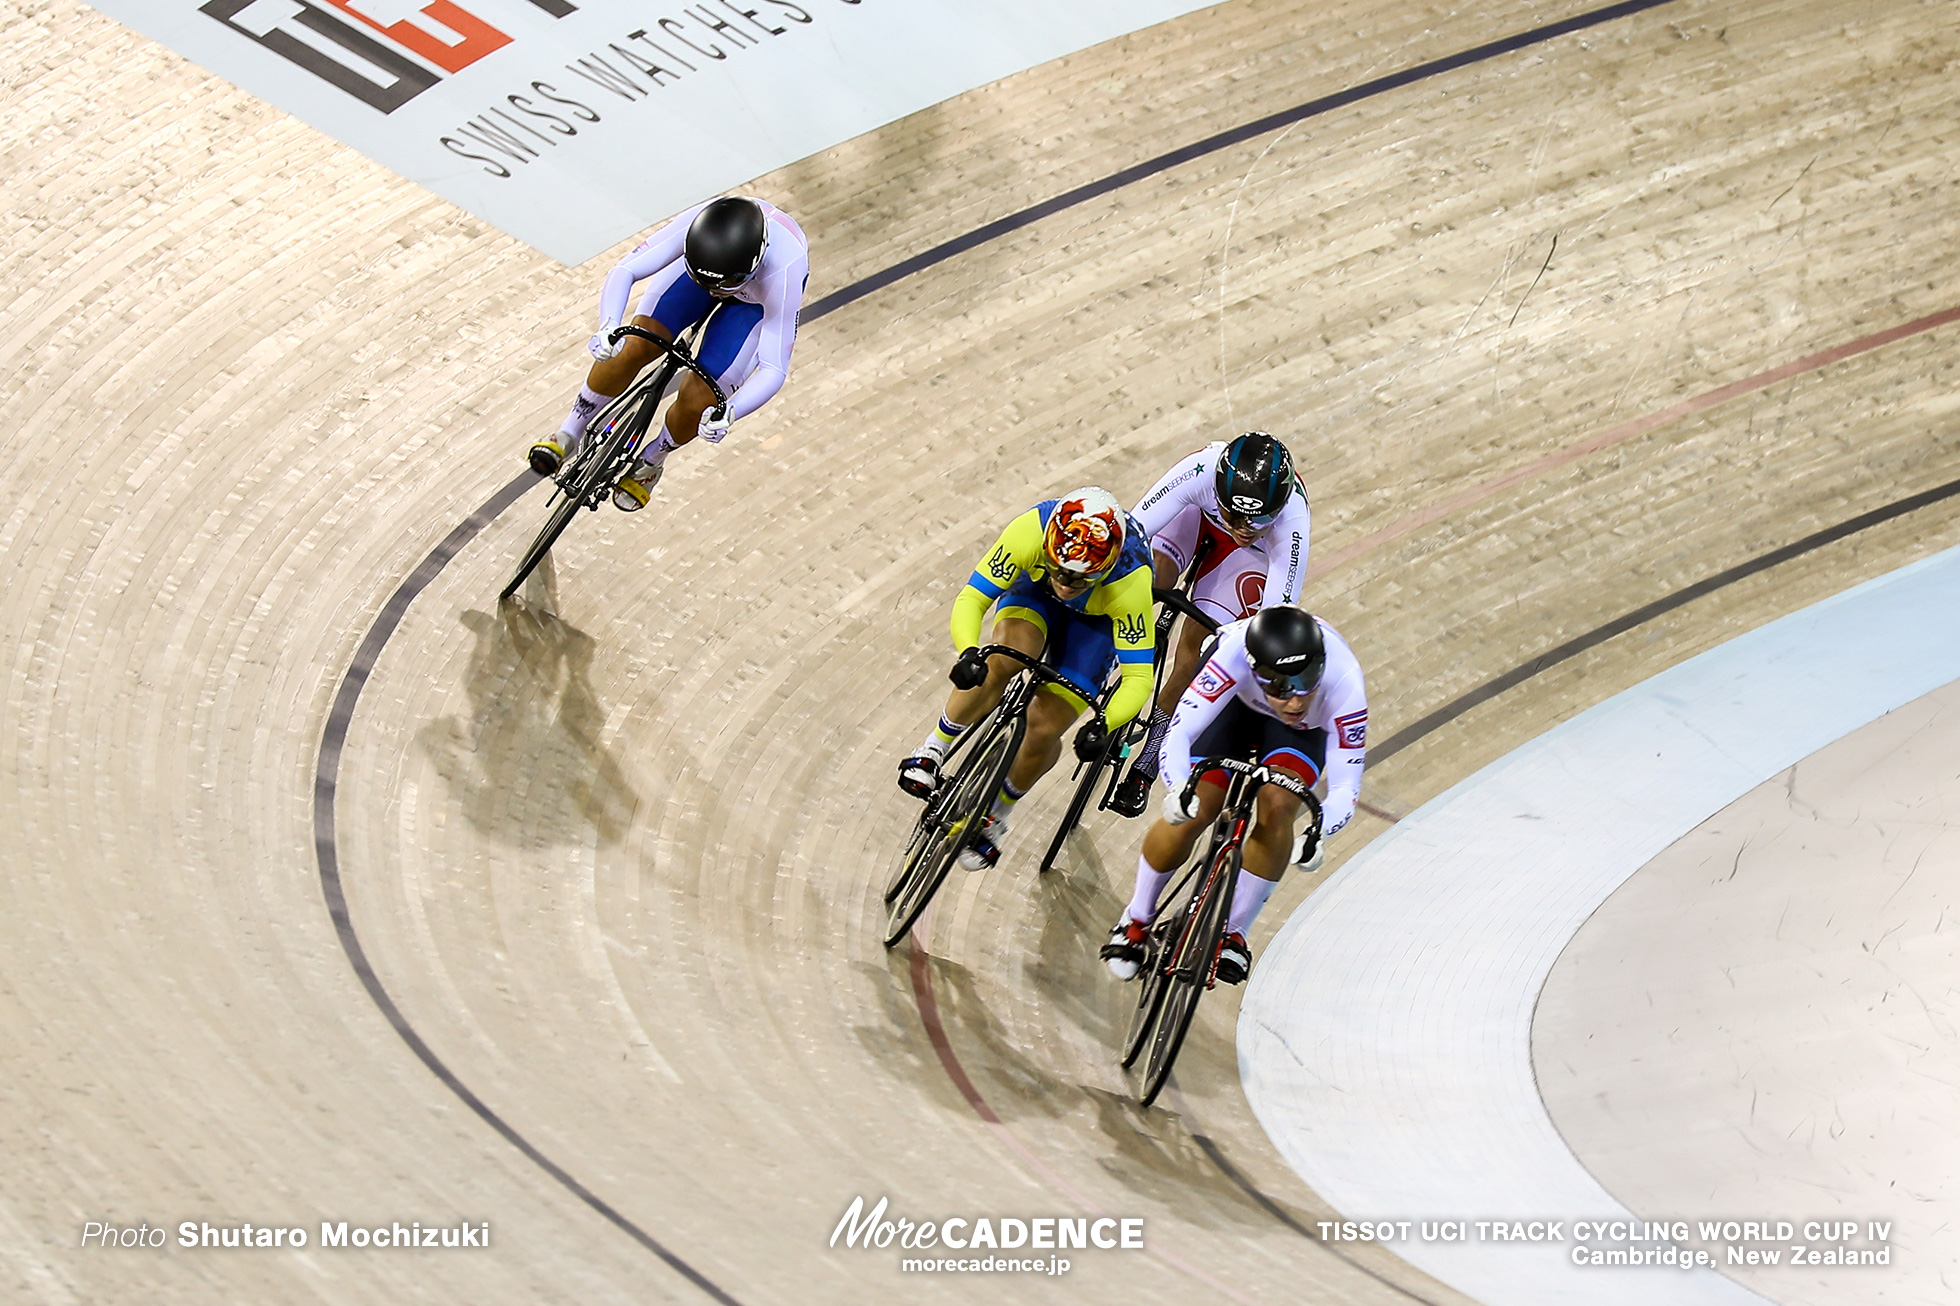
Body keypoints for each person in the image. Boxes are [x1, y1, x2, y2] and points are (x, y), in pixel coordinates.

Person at [1100, 604, 1366, 986]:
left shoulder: (1344, 684)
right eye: (1280, 686)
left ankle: (1234, 931)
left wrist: (1317, 833)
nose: (1295, 700)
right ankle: (1136, 921)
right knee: (1197, 808)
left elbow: (1345, 787)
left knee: (1279, 808)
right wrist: (1179, 790)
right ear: (1255, 669)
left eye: (1306, 680)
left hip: (1299, 734)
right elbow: (1180, 734)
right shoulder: (1231, 654)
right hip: (1234, 707)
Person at [899, 489, 1156, 871]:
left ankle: (996, 817)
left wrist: (1105, 724)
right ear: (1049, 548)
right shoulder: (1029, 533)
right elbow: (973, 598)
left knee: (1045, 726)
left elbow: (1139, 677)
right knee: (1002, 659)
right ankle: (933, 749)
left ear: (1104, 571)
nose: (1067, 584)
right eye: (1062, 571)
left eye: (1079, 579)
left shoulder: (1130, 584)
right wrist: (969, 651)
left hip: (1096, 623)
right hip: (1034, 589)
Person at [527, 195, 809, 510]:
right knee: (634, 344)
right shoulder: (697, 223)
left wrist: (731, 411)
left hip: (754, 303)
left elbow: (773, 368)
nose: (714, 291)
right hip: (697, 276)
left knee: (702, 397)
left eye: (723, 285)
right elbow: (626, 270)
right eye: (708, 283)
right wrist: (608, 326)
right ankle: (569, 431)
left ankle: (654, 457)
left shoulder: (784, 271)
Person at [1108, 432, 1310, 817]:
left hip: (1246, 558)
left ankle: (1146, 766)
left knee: (1197, 655)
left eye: (1258, 518)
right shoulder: (1201, 471)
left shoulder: (1293, 519)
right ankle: (1105, 655)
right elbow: (1131, 531)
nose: (1245, 525)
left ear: (1279, 509)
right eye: (1234, 515)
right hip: (1193, 520)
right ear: (1218, 488)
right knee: (1145, 578)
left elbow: (1274, 619)